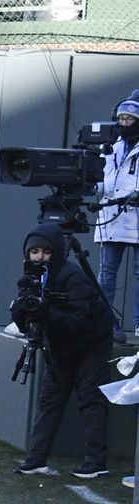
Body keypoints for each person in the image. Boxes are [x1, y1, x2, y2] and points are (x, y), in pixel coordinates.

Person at [11, 223, 114, 479]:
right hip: (60, 344)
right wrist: (22, 309)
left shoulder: (73, 276)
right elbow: (29, 324)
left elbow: (76, 321)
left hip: (92, 342)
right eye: (34, 251)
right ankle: (36, 459)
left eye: (46, 251)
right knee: (49, 399)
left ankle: (96, 462)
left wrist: (46, 310)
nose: (40, 257)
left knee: (91, 399)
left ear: (56, 251)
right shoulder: (32, 279)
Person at [95, 91, 139, 344]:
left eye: (129, 119)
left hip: (135, 216)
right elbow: (103, 179)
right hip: (111, 217)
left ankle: (137, 322)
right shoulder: (111, 145)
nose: (123, 123)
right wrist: (94, 188)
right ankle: (104, 322)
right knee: (106, 273)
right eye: (120, 118)